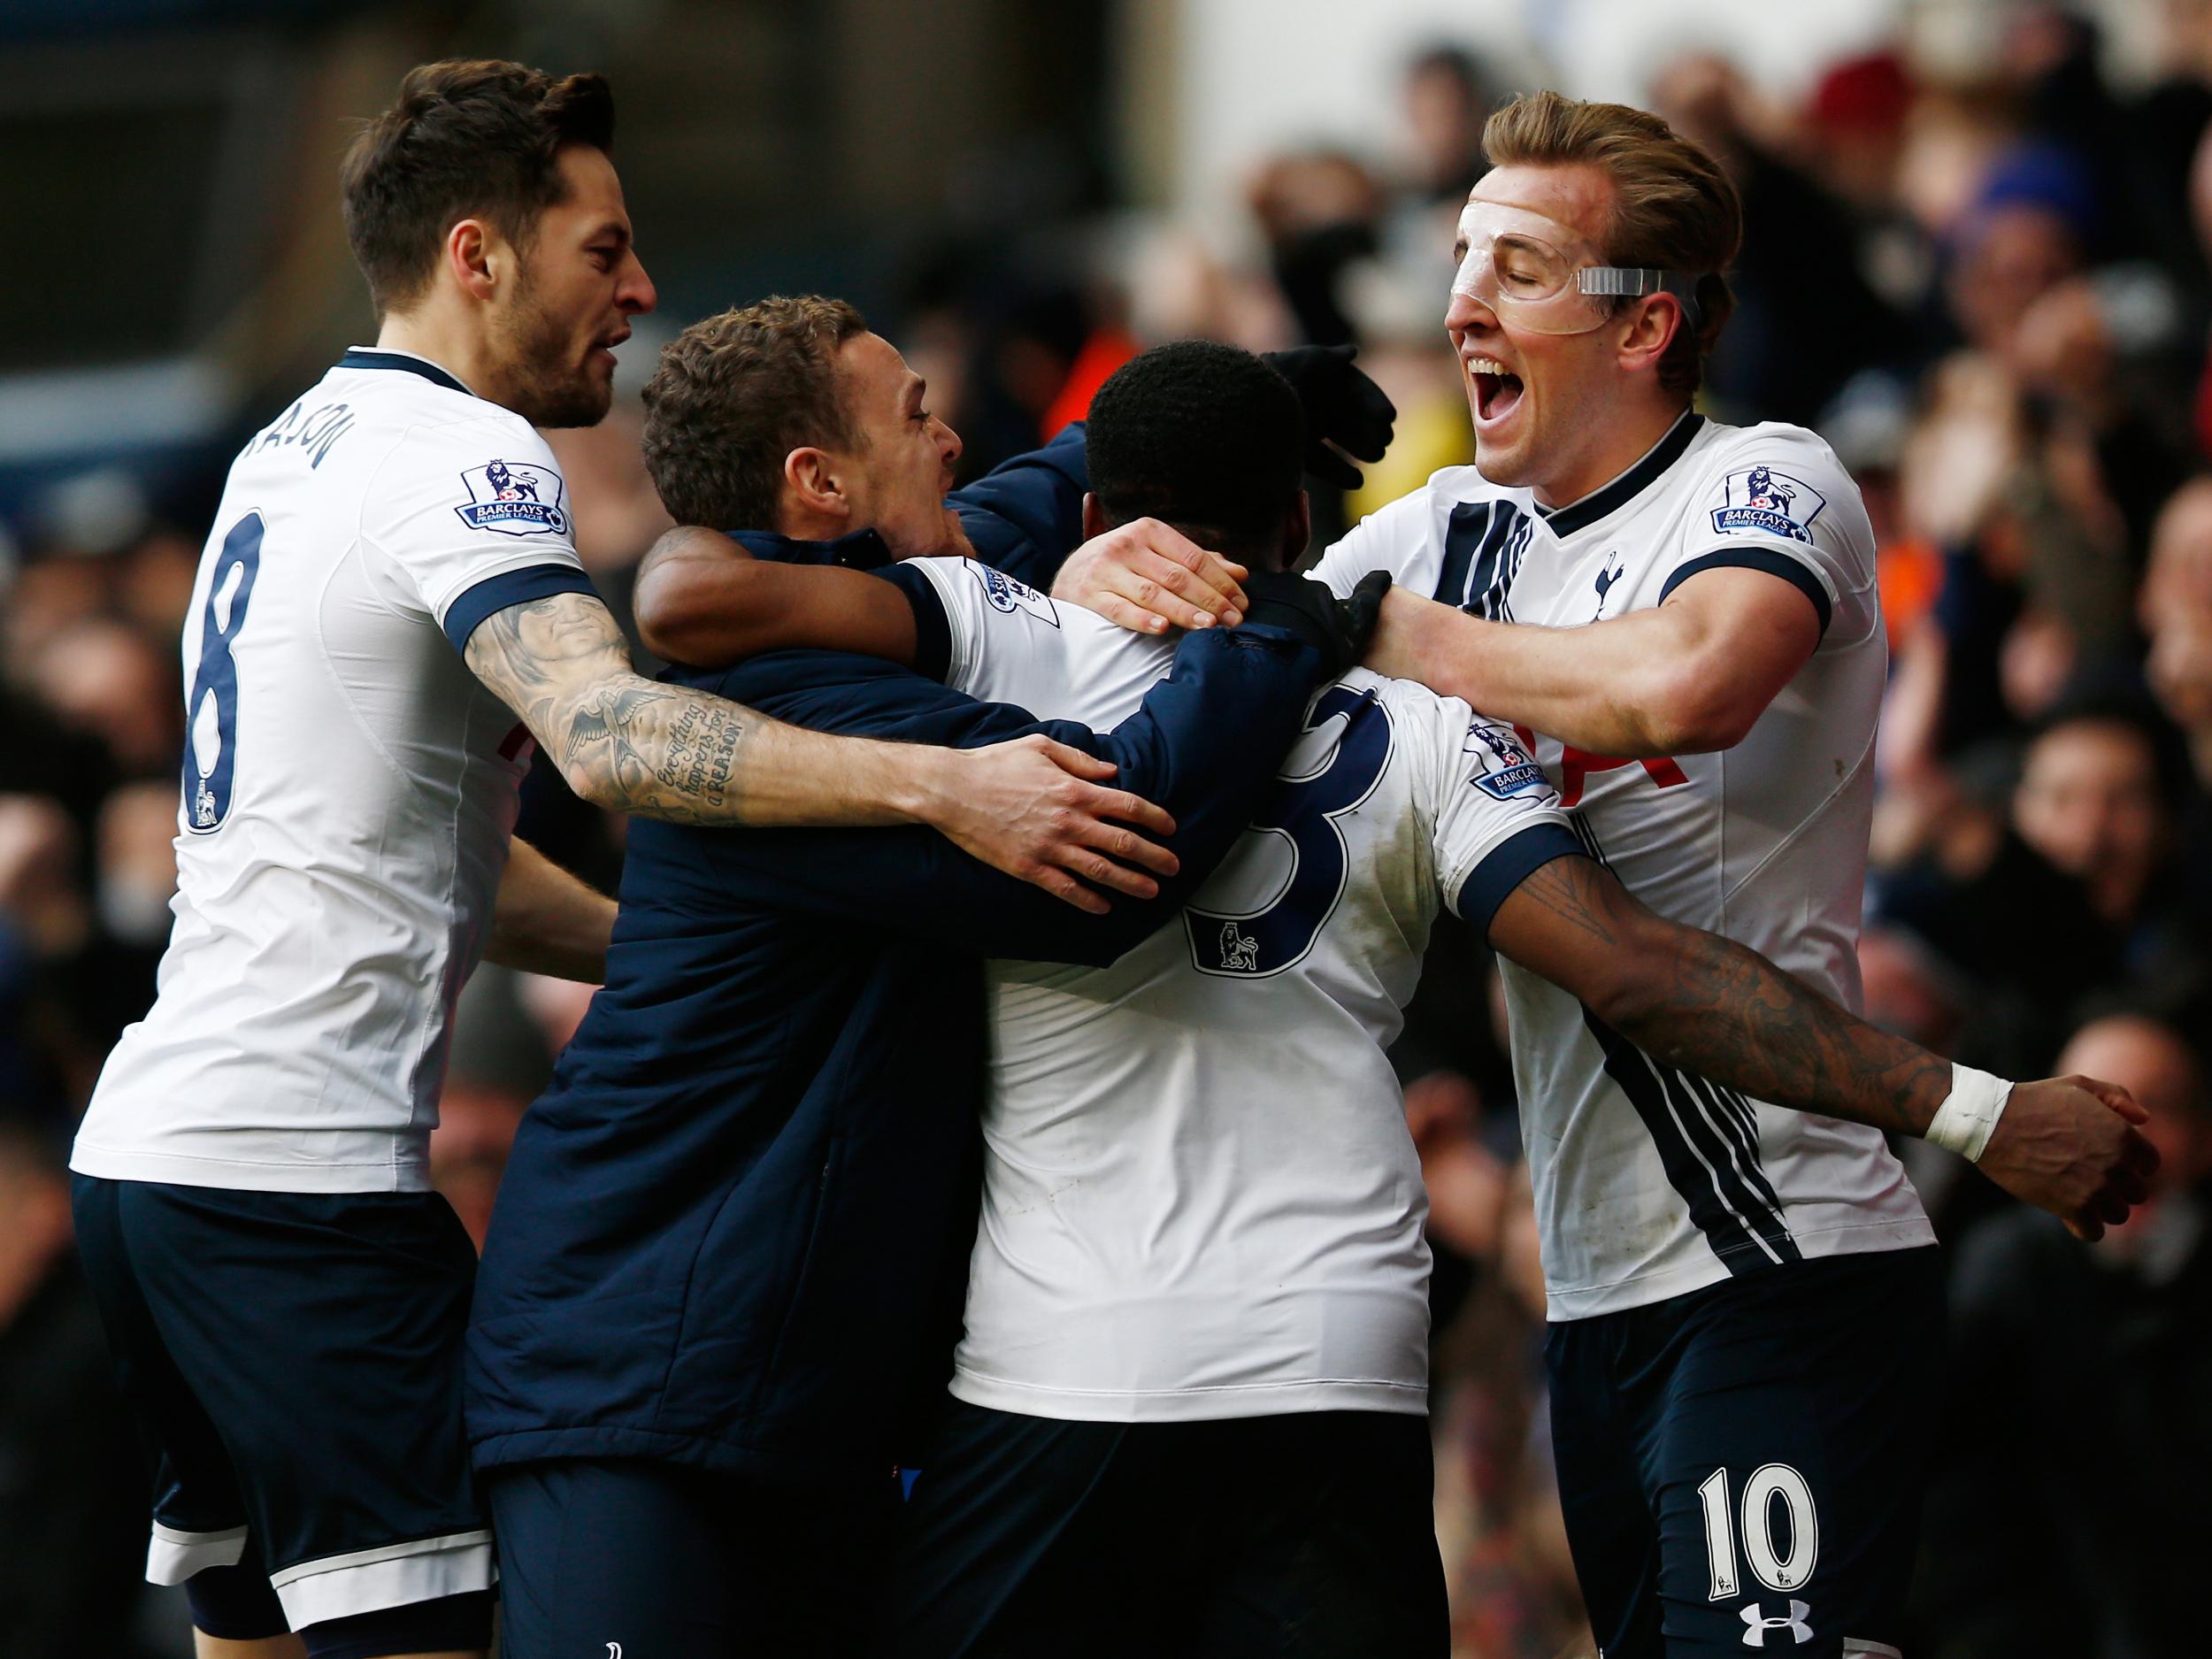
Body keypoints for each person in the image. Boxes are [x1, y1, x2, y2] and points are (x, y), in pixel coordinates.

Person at [634, 339, 2150, 1659]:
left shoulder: (997, 637)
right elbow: (1638, 967)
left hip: (1060, 1375)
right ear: (1308, 525)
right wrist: (1971, 1108)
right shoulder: (1426, 723)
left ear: (1096, 523)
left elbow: (699, 598)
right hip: (1335, 1383)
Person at [65, 62, 1186, 1659]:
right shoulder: (470, 459)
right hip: (300, 1195)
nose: (641, 292)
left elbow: (415, 855)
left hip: (153, 1166)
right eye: (604, 251)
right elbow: (609, 736)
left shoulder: (284, 449)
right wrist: (940, 791)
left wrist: (678, 958)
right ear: (477, 257)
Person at [1044, 93, 2149, 1657]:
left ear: (1645, 326)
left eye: (1518, 264)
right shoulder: (1449, 529)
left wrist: (1382, 631)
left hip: (1783, 1253)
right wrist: (1091, 547)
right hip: (1592, 1290)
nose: (1460, 303)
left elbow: (1692, 682)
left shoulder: (1768, 484)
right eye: (1459, 257)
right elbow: (1219, 630)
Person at [463, 298, 1375, 1659]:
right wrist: (1281, 631)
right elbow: (1114, 848)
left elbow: (993, 528)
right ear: (818, 484)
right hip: (648, 1390)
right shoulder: (792, 693)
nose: (951, 438)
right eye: (913, 416)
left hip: (798, 1403)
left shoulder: (875, 595)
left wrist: (1204, 422)